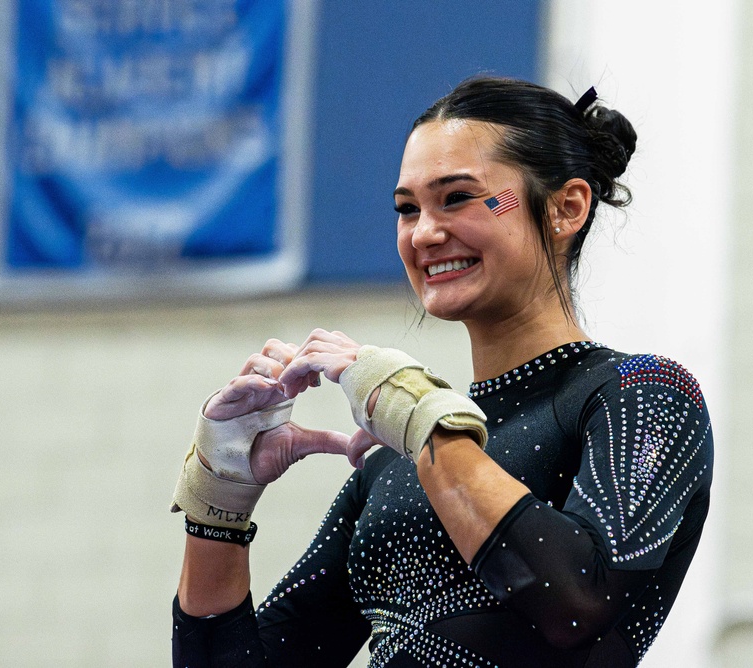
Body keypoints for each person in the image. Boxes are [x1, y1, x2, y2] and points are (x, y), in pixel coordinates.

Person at [170, 76, 714, 667]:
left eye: (457, 198)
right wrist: (217, 505)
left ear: (566, 207)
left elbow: (575, 605)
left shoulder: (643, 396)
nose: (424, 233)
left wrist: (414, 411)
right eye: (407, 209)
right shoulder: (394, 463)